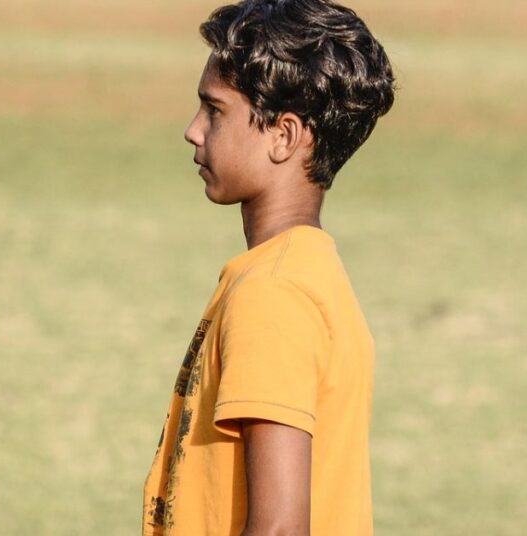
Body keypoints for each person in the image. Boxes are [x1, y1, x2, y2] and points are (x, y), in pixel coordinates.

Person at [142, 1, 394, 534]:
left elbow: (280, 527)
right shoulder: (307, 272)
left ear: (284, 135)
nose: (193, 130)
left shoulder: (273, 294)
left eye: (214, 110)